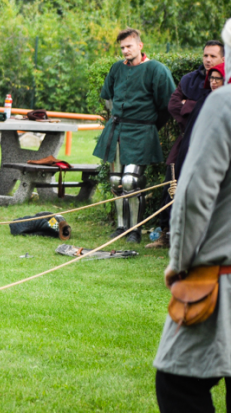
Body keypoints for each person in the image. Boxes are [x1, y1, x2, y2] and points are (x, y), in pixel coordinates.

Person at [152, 78, 231, 413]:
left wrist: (179, 263)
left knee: (177, 383)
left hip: (220, 275)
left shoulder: (224, 104)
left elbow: (194, 194)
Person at [92, 28, 175, 243]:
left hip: (142, 132)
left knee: (131, 181)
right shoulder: (117, 68)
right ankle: (121, 227)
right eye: (122, 48)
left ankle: (135, 230)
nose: (125, 51)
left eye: (129, 46)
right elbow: (107, 97)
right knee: (115, 181)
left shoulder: (157, 70)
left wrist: (150, 126)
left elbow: (168, 105)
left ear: (140, 45)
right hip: (117, 130)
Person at [147, 41, 224, 249]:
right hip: (185, 139)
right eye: (205, 55)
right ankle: (166, 233)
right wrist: (191, 120)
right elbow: (173, 104)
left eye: (213, 56)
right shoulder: (190, 79)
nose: (208, 60)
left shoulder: (223, 81)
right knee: (171, 184)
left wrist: (189, 105)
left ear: (223, 59)